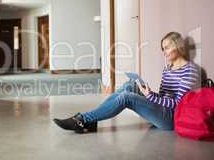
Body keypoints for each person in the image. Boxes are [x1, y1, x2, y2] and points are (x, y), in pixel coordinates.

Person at [53, 32, 200, 133]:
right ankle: (91, 120)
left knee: (126, 97)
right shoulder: (168, 67)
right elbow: (162, 96)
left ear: (178, 45)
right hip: (162, 110)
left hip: (171, 118)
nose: (164, 52)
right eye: (163, 49)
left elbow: (177, 104)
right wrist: (149, 93)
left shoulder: (190, 70)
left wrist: (149, 96)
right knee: (129, 85)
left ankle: (83, 119)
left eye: (167, 48)